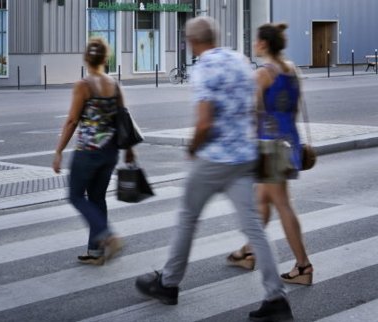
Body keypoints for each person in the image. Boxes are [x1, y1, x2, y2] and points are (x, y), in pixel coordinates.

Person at [134, 17, 293, 321]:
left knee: (187, 218)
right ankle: (276, 298)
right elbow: (255, 107)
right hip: (244, 156)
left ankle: (168, 284)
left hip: (214, 158)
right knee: (254, 227)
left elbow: (205, 121)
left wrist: (193, 148)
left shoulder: (202, 68)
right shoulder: (240, 59)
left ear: (193, 42)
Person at [227, 23, 313, 286]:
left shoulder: (264, 73)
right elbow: (294, 109)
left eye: (256, 40)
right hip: (289, 142)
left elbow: (248, 113)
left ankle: (303, 266)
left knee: (283, 204)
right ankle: (248, 251)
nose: (254, 44)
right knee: (262, 200)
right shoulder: (292, 70)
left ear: (263, 44)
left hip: (269, 147)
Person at [52, 38, 133, 266]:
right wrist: (128, 150)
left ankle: (107, 235)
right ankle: (95, 252)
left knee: (76, 196)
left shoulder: (83, 86)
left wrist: (58, 151)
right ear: (106, 59)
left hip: (88, 152)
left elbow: (71, 121)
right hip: (110, 152)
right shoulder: (115, 85)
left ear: (86, 58)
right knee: (97, 198)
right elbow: (123, 118)